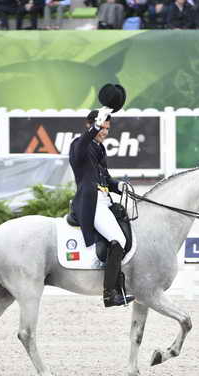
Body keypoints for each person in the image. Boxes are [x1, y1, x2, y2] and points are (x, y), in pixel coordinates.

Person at [69, 107, 135, 308]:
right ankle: (110, 294)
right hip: (91, 202)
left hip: (105, 200)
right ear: (90, 125)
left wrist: (119, 186)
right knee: (118, 240)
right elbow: (82, 146)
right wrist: (95, 127)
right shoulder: (79, 144)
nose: (105, 132)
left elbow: (105, 178)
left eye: (107, 128)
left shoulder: (100, 148)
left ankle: (120, 286)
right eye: (101, 128)